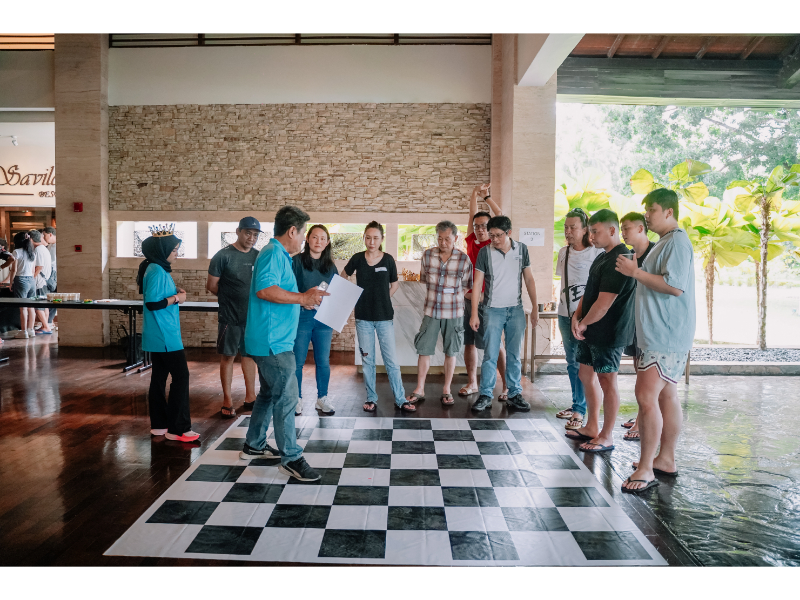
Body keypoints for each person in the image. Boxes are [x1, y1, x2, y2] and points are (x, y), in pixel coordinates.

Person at [239, 205, 328, 482]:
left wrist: (304, 299)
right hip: (273, 342)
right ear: (292, 231)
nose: (303, 240)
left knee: (268, 393)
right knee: (287, 397)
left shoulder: (277, 255)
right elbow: (265, 290)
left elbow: (278, 292)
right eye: (303, 234)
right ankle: (291, 457)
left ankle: (254, 444)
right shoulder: (272, 254)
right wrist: (301, 298)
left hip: (273, 339)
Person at [616, 189, 696, 493]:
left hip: (665, 334)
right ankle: (665, 459)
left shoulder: (676, 242)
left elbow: (674, 287)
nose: (647, 215)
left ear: (669, 212)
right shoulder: (667, 241)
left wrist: (635, 272)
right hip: (662, 333)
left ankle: (646, 468)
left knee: (646, 397)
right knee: (666, 396)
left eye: (651, 210)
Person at [566, 209, 636, 453]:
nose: (591, 236)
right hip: (590, 328)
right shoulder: (601, 257)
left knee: (607, 380)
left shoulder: (621, 258)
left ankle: (607, 435)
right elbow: (589, 292)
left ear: (612, 230)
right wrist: (577, 316)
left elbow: (605, 302)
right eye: (590, 231)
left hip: (609, 332)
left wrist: (584, 322)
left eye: (595, 232)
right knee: (586, 375)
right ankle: (592, 426)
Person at [470, 215, 538, 412]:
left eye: (499, 235)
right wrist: (474, 313)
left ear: (509, 233)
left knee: (514, 355)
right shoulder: (485, 252)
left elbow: (529, 279)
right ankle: (485, 395)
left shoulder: (522, 249)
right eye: (491, 235)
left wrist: (534, 307)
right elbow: (477, 284)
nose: (494, 240)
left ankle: (514, 394)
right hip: (492, 310)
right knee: (490, 354)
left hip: (516, 309)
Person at [136, 226, 199, 442]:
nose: (177, 254)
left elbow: (156, 295)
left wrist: (173, 292)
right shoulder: (156, 270)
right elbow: (153, 303)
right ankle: (178, 428)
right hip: (165, 336)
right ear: (162, 251)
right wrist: (177, 299)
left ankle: (160, 425)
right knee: (181, 376)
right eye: (174, 250)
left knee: (159, 378)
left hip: (157, 333)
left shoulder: (154, 268)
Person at [343, 221, 411, 412]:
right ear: (364, 238)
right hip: (363, 317)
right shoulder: (357, 258)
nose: (371, 242)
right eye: (368, 238)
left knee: (391, 361)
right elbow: (343, 276)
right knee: (368, 361)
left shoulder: (388, 260)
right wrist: (347, 297)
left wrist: (383, 298)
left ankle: (400, 399)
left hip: (384, 318)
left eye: (375, 238)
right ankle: (371, 398)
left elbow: (394, 285)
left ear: (381, 239)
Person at [406, 221, 472, 406]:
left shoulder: (463, 259)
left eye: (447, 239)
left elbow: (467, 285)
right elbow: (424, 279)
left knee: (451, 351)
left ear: (455, 238)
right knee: (424, 349)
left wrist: (453, 297)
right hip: (431, 311)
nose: (443, 243)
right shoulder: (427, 255)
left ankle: (446, 390)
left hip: (454, 312)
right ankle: (419, 388)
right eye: (440, 239)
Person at [206, 217, 260, 419]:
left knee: (249, 355)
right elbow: (212, 286)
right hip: (229, 317)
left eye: (255, 234)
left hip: (251, 318)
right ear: (238, 232)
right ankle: (227, 400)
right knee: (228, 356)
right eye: (248, 233)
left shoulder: (258, 256)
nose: (251, 238)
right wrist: (230, 299)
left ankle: (251, 396)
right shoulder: (223, 256)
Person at [461, 183, 510, 400]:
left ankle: (507, 386)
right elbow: (471, 215)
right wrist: (474, 193)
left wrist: (487, 197)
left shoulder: (495, 243)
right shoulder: (472, 242)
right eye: (477, 226)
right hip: (469, 300)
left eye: (484, 226)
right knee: (469, 342)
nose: (480, 229)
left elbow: (501, 217)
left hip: (489, 302)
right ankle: (472, 382)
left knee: (495, 344)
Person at [554, 207, 602, 431]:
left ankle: (581, 410)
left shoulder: (596, 254)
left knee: (585, 365)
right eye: (566, 227)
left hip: (586, 318)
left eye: (573, 227)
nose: (568, 231)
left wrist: (585, 316)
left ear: (585, 229)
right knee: (572, 363)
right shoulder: (563, 253)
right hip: (565, 314)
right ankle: (577, 404)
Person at [618, 212, 657, 442]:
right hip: (634, 320)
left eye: (627, 228)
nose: (623, 233)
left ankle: (644, 422)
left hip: (652, 324)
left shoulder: (655, 253)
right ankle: (641, 416)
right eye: (622, 228)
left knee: (648, 378)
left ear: (641, 228)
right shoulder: (629, 256)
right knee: (638, 369)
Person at [292, 224, 338, 415]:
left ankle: (322, 398)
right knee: (297, 361)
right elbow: (288, 288)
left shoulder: (330, 266)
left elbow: (335, 292)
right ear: (307, 239)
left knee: (323, 361)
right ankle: (296, 398)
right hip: (302, 316)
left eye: (323, 238)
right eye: (315, 237)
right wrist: (303, 300)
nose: (318, 241)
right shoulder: (296, 262)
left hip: (324, 319)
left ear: (327, 242)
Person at [10, 232, 37, 339]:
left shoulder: (16, 252)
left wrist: (11, 283)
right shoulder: (32, 253)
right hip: (31, 280)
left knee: (23, 308)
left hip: (21, 279)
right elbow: (33, 270)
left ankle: (24, 331)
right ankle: (31, 330)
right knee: (31, 307)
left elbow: (14, 270)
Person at [29, 230, 53, 334]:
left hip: (40, 281)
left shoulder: (38, 249)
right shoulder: (44, 249)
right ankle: (45, 326)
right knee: (44, 305)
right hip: (45, 281)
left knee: (38, 305)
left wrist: (32, 277)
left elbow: (39, 267)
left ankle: (46, 327)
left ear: (31, 239)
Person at [42, 227, 57, 327]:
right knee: (51, 297)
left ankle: (49, 322)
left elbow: (52, 263)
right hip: (50, 273)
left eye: (44, 235)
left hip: (53, 274)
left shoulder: (56, 246)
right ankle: (49, 322)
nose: (43, 237)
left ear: (50, 234)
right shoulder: (50, 246)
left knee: (52, 297)